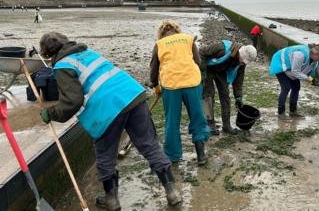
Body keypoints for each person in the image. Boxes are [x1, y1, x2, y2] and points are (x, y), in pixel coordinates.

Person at [38, 32, 181, 210]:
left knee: (106, 152)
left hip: (108, 108)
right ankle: (172, 192)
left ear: (46, 53)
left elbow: (72, 102)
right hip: (132, 94)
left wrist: (51, 113)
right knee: (150, 145)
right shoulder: (89, 53)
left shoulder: (62, 65)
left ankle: (111, 200)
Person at [150, 20, 209, 165]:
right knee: (197, 117)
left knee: (172, 121)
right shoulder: (189, 40)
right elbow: (199, 62)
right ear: (177, 30)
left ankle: (172, 157)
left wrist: (156, 87)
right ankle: (201, 156)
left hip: (171, 86)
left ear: (161, 33)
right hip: (192, 83)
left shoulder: (159, 45)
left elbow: (153, 70)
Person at [269, 43, 319, 119]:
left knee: (296, 88)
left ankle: (293, 112)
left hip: (291, 68)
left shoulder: (318, 61)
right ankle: (281, 113)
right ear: (314, 54)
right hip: (280, 63)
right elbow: (295, 72)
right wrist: (310, 79)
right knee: (286, 87)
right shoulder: (300, 55)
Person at [200, 41, 257, 135]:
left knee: (225, 96)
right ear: (240, 52)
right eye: (242, 59)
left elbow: (238, 80)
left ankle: (226, 126)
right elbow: (202, 51)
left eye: (244, 61)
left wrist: (238, 97)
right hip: (208, 68)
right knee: (208, 96)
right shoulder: (221, 48)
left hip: (221, 72)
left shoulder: (242, 63)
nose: (242, 62)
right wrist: (202, 70)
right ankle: (210, 125)